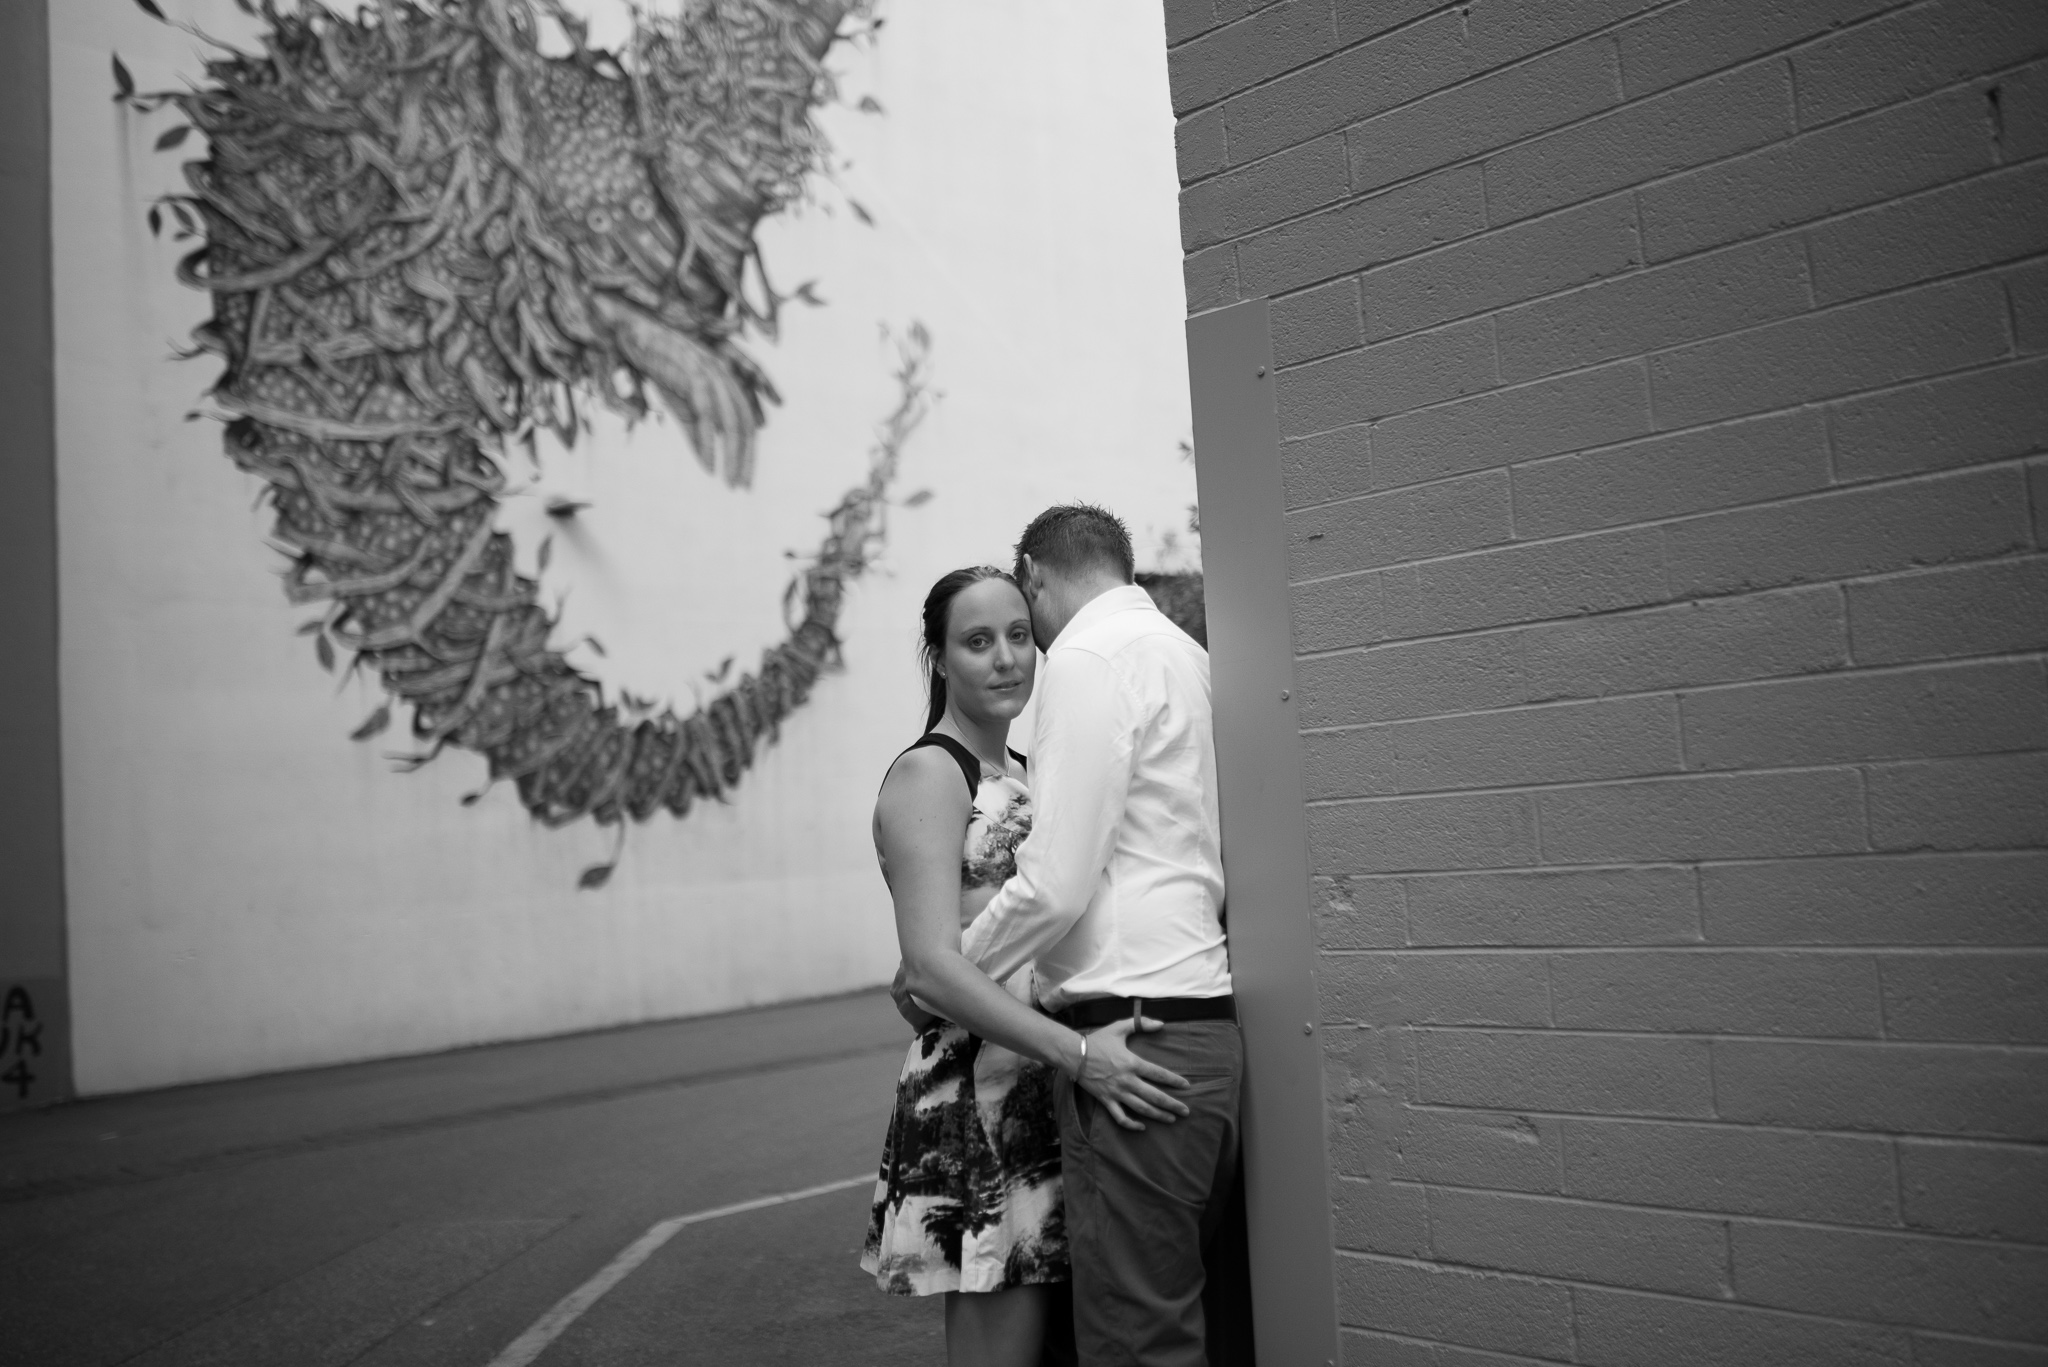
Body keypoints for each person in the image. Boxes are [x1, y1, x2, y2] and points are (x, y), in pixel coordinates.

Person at [861, 566, 1190, 1367]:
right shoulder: (928, 774)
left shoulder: (1031, 769)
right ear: (937, 657)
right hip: (981, 1099)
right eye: (977, 641)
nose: (1007, 657)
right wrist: (1076, 1053)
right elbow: (932, 969)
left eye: (1019, 635)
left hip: (1054, 1084)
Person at [958, 505, 1245, 1366]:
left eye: (1023, 612)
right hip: (1202, 1029)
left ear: (1036, 576)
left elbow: (1053, 883)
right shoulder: (1187, 656)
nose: (1026, 641)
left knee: (1133, 1340)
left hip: (1131, 1039)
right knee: (1181, 1319)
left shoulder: (1087, 659)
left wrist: (945, 969)